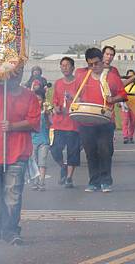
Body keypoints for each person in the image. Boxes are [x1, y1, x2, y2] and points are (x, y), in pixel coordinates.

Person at [0, 68, 41, 245]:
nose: (13, 75)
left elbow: (34, 122)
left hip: (17, 154)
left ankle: (11, 230)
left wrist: (13, 126)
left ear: (21, 74)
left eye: (17, 72)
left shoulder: (30, 96)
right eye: (10, 71)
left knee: (13, 196)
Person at [75, 48, 127, 193]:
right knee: (90, 152)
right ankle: (94, 181)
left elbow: (123, 94)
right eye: (90, 64)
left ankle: (106, 181)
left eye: (96, 64)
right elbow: (76, 94)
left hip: (105, 121)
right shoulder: (82, 77)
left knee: (104, 150)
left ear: (102, 62)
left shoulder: (111, 77)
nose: (94, 67)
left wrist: (112, 99)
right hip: (86, 121)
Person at [50, 57, 80, 188]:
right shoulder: (57, 83)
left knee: (73, 152)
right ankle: (63, 166)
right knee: (55, 150)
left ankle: (69, 177)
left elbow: (82, 100)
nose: (65, 67)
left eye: (67, 65)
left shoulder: (78, 83)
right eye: (62, 65)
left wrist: (72, 97)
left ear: (73, 67)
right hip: (59, 123)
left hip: (73, 123)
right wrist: (55, 107)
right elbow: (55, 100)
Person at [31, 91, 51, 191]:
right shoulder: (30, 112)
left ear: (43, 101)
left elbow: (49, 125)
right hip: (32, 141)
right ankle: (35, 181)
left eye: (39, 100)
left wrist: (47, 116)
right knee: (34, 162)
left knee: (42, 162)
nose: (37, 102)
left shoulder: (46, 112)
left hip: (44, 141)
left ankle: (42, 181)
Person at [121, 69, 135, 144]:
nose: (131, 77)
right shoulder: (123, 84)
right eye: (129, 76)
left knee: (133, 121)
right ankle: (125, 136)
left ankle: (130, 136)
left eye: (132, 76)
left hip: (134, 104)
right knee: (125, 120)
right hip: (124, 104)